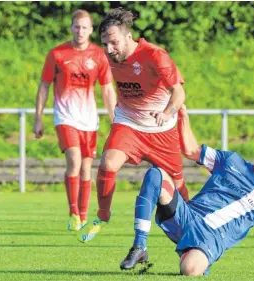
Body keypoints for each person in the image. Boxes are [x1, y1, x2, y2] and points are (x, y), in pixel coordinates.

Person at [119, 105, 254, 276]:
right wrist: (183, 116)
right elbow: (191, 151)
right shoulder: (231, 160)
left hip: (211, 236)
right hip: (186, 215)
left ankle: (197, 254)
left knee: (190, 269)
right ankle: (140, 246)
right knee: (155, 174)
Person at [78, 7, 190, 243]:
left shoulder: (155, 55)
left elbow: (178, 93)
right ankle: (102, 216)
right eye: (105, 44)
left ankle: (192, 228)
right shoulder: (107, 57)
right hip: (129, 123)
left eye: (114, 43)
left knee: (178, 186)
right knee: (108, 163)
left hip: (161, 129)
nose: (109, 49)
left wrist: (166, 111)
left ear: (129, 37)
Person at [33, 9, 116, 231]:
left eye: (85, 27)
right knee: (75, 161)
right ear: (71, 28)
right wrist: (38, 118)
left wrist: (114, 119)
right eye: (77, 27)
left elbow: (107, 89)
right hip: (65, 117)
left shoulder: (99, 55)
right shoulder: (57, 54)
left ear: (91, 30)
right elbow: (44, 86)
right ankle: (72, 213)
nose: (80, 31)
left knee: (87, 169)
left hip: (89, 120)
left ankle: (82, 215)